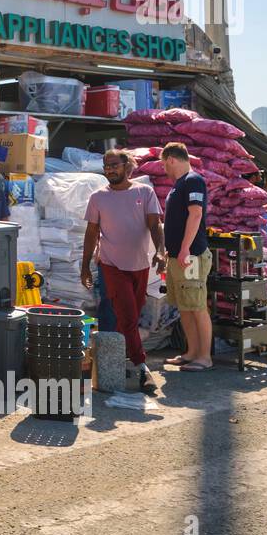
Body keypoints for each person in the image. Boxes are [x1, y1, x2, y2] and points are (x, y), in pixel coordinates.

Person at [80, 150, 165, 392]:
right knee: (127, 315)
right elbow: (91, 233)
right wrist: (85, 265)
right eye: (106, 166)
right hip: (111, 265)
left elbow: (154, 224)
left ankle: (114, 363)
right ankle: (142, 368)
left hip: (139, 265)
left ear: (126, 166)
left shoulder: (144, 192)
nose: (109, 170)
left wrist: (161, 250)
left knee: (131, 316)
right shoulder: (98, 197)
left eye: (114, 165)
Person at [159, 142, 214, 371]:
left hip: (191, 256)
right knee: (184, 305)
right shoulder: (178, 185)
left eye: (164, 165)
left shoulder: (193, 180)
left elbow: (196, 214)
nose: (164, 170)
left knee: (197, 305)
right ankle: (191, 352)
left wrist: (184, 249)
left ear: (171, 159)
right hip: (178, 256)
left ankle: (205, 357)